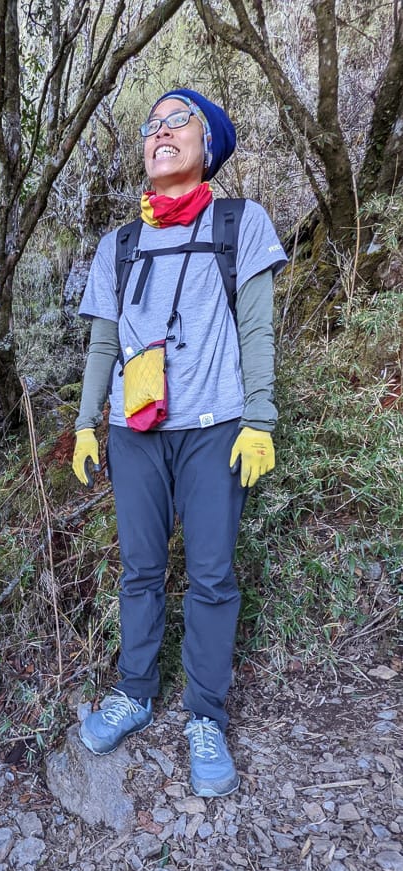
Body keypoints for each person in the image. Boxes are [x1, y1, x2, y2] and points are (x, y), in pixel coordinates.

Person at [72, 88, 287, 797]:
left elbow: (256, 328)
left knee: (212, 576)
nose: (160, 133)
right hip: (135, 432)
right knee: (139, 569)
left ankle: (205, 716)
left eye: (177, 121)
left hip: (213, 428)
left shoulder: (240, 222)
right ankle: (135, 691)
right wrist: (85, 423)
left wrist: (260, 418)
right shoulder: (119, 244)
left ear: (207, 142)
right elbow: (102, 341)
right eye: (151, 125)